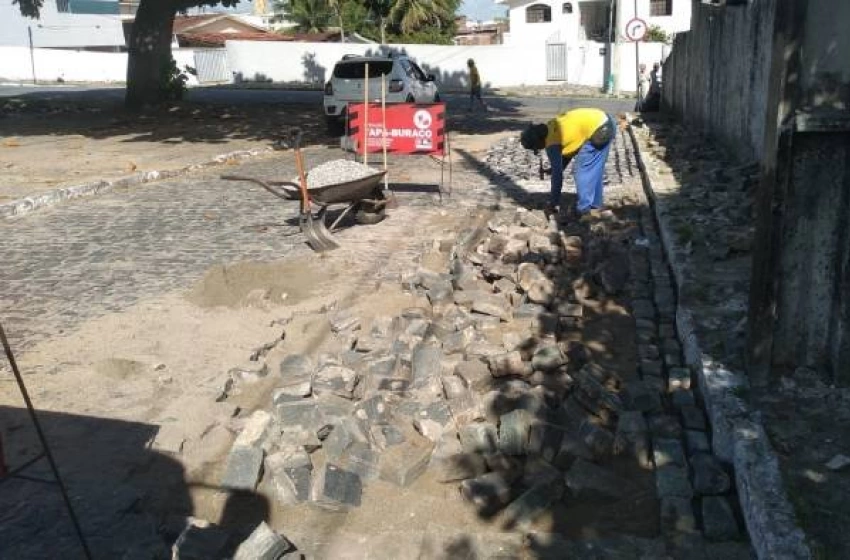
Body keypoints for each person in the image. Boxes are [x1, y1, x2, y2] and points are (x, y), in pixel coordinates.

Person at [520, 108, 616, 218]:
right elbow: (566, 155)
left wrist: (553, 203)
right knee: (594, 169)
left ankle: (584, 210)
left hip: (599, 130)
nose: (540, 149)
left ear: (538, 141)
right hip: (607, 122)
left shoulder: (551, 143)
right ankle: (596, 206)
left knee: (582, 170)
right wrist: (553, 169)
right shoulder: (551, 126)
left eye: (537, 147)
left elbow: (557, 176)